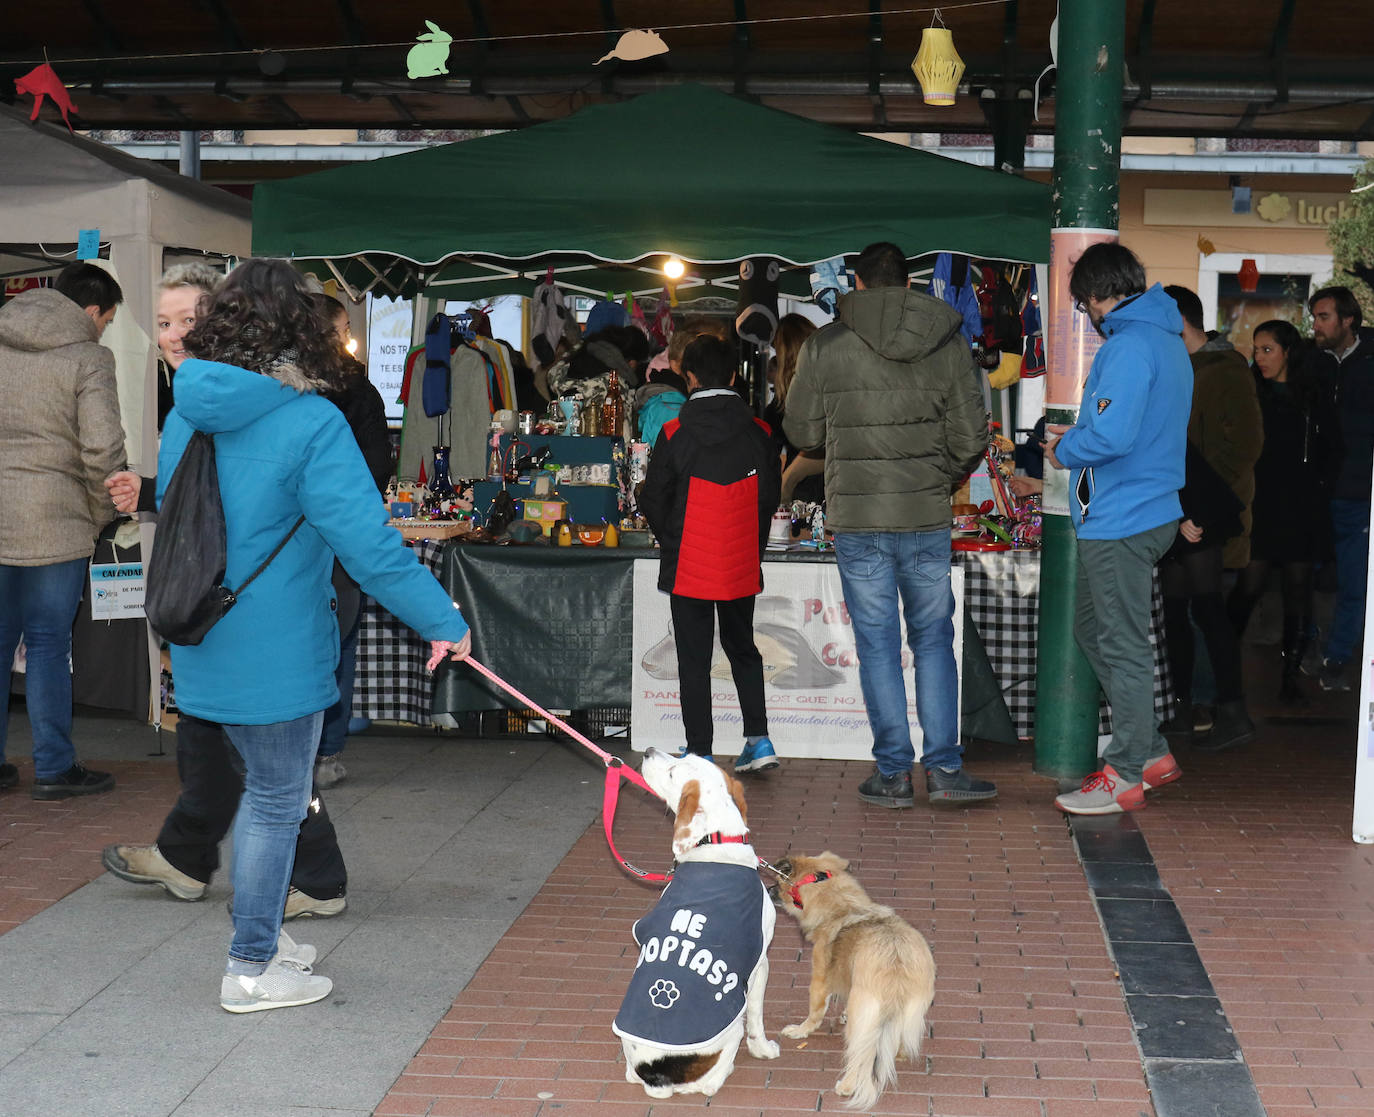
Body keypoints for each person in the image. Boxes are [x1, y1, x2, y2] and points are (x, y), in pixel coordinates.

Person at [151, 258, 473, 1013]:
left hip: (200, 635)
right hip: (279, 646)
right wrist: (444, 620)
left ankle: (260, 930)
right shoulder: (312, 420)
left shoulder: (186, 406)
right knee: (275, 799)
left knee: (265, 795)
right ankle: (251, 965)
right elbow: (369, 546)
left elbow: (178, 514)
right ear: (302, 331)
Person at [104, 271, 352, 923]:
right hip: (211, 606)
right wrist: (154, 491)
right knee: (222, 751)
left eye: (187, 319)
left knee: (265, 772)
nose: (173, 334)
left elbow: (268, 500)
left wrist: (439, 619)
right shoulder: (197, 402)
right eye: (161, 322)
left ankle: (279, 909)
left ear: (225, 321)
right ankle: (195, 862)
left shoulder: (255, 404)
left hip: (255, 610)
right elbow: (217, 495)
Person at [784, 241, 995, 808]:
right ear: (908, 284)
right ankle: (945, 769)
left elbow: (801, 432)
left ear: (855, 281)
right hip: (926, 517)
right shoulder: (947, 343)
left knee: (877, 646)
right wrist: (935, 476)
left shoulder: (826, 346)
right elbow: (973, 436)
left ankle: (894, 774)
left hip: (857, 519)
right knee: (933, 641)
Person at [1045, 243, 1191, 815]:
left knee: (1121, 644)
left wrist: (1063, 450)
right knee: (1093, 630)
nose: (1089, 316)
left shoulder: (1129, 346)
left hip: (1122, 516)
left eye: (1085, 305)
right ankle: (1149, 750)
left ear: (1100, 295)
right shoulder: (1166, 339)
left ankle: (1126, 772)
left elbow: (1109, 436)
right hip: (1147, 509)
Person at [0, 262, 127, 799]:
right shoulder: (89, 357)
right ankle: (53, 767)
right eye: (109, 320)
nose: (105, 330)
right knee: (50, 642)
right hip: (56, 518)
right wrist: (104, 510)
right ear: (92, 311)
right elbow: (102, 448)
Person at [639, 335, 782, 774]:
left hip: (690, 563)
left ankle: (699, 750)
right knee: (743, 648)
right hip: (739, 559)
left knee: (694, 658)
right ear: (736, 376)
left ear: (689, 376)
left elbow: (654, 498)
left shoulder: (674, 433)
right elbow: (769, 497)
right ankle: (759, 740)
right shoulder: (760, 433)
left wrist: (673, 539)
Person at [1156, 285, 1261, 752]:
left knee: (1207, 608)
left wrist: (1196, 506)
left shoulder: (1226, 371)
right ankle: (1184, 707)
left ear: (1178, 320)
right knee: (1178, 609)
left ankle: (1230, 709)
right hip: (1179, 507)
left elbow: (1242, 448)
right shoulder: (1180, 366)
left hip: (1205, 511)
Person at [1226, 319, 1335, 704]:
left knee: (1297, 592)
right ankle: (1223, 667)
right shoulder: (1251, 392)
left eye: (1267, 349)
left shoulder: (1311, 396)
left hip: (1302, 505)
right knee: (1249, 586)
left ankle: (1289, 674)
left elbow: (1331, 448)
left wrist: (1321, 486)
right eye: (1256, 349)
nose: (1260, 357)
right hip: (1262, 503)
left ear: (1287, 351)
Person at [314, 294, 391, 789]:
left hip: (289, 532)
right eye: (343, 327)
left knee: (305, 636)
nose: (348, 337)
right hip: (343, 531)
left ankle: (296, 745)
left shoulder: (277, 388)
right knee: (340, 637)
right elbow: (376, 467)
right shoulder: (358, 390)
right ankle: (326, 752)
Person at [1306, 286, 1374, 691]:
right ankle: (1311, 648)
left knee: (1354, 581)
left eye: (1324, 317)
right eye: (1314, 316)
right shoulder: (1312, 363)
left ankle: (1337, 656)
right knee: (1305, 575)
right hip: (1316, 490)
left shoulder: (1368, 363)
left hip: (1358, 490)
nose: (1315, 324)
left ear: (1348, 320)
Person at [760, 313, 823, 504]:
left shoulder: (781, 407)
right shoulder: (832, 388)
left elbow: (771, 459)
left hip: (802, 496)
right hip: (838, 492)